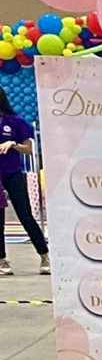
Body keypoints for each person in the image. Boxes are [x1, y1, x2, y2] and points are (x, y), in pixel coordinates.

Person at [0, 93, 49, 276]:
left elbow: (28, 149)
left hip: (13, 173)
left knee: (25, 215)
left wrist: (13, 144)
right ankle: (2, 260)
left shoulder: (15, 121)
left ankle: (44, 256)